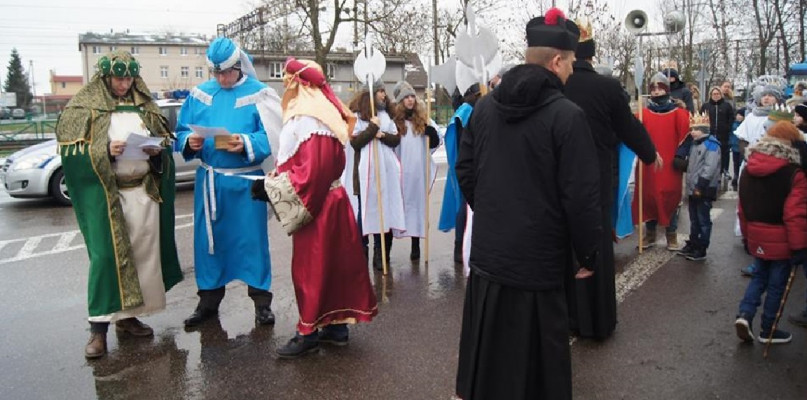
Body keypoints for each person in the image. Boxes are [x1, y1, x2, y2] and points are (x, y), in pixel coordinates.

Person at [455, 9, 601, 399]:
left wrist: (492, 211)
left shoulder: (485, 108)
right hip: (539, 263)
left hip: (490, 255)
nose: (571, 71)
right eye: (571, 63)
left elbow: (465, 169)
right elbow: (581, 195)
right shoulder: (567, 116)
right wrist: (588, 253)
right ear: (557, 62)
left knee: (491, 365)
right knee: (537, 373)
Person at [56, 50, 183, 359]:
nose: (124, 84)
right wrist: (105, 151)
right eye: (118, 78)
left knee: (140, 259)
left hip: (143, 194)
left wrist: (157, 153)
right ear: (105, 77)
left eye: (129, 79)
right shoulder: (83, 108)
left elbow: (165, 145)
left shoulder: (145, 107)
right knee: (105, 260)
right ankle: (97, 329)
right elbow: (71, 157)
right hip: (107, 198)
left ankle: (127, 319)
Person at [250, 58, 378, 358]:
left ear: (299, 83)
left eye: (288, 80)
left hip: (318, 205)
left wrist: (272, 190)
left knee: (312, 270)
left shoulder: (309, 117)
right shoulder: (322, 112)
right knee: (335, 266)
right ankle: (336, 327)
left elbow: (313, 172)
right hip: (331, 201)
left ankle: (307, 333)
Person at [176, 37, 283, 328]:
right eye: (217, 73)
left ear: (238, 67)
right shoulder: (200, 94)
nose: (222, 79)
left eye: (226, 73)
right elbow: (181, 130)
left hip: (246, 184)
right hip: (210, 183)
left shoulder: (260, 94)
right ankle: (208, 303)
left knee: (252, 242)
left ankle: (262, 303)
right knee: (209, 244)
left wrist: (247, 142)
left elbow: (273, 135)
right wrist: (189, 141)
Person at [564, 21, 659, 340]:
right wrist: (649, 153)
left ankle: (569, 316)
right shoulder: (606, 87)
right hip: (597, 178)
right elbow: (628, 127)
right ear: (592, 56)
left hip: (561, 177)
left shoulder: (557, 84)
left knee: (566, 244)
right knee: (598, 242)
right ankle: (597, 321)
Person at [735, 121, 807, 345]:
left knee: (758, 277)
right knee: (777, 285)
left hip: (756, 233)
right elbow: (794, 214)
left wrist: (746, 236)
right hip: (782, 238)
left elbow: (742, 207)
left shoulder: (749, 168)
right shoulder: (794, 173)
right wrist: (799, 246)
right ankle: (769, 329)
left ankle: (745, 314)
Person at [347, 80, 405, 270]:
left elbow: (395, 139)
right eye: (380, 91)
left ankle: (381, 253)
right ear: (369, 95)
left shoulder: (386, 115)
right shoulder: (357, 117)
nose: (383, 95)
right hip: (364, 174)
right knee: (365, 211)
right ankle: (361, 251)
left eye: (383, 91)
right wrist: (372, 128)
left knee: (383, 211)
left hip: (386, 172)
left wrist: (382, 135)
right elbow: (355, 143)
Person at [634, 73, 690, 251]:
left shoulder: (679, 114)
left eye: (660, 88)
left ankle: (671, 234)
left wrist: (680, 156)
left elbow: (686, 137)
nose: (656, 92)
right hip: (648, 164)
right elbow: (633, 134)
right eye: (653, 88)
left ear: (666, 89)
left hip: (669, 164)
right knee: (648, 198)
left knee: (669, 197)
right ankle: (650, 234)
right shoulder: (643, 114)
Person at [735, 85, 783, 276]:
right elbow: (742, 140)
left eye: (771, 96)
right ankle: (749, 237)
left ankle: (770, 254)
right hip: (752, 164)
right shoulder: (752, 116)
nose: (767, 99)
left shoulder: (781, 117)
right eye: (764, 96)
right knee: (749, 203)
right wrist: (749, 156)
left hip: (774, 167)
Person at [391, 81, 440, 261]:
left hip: (418, 172)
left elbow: (434, 143)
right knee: (398, 206)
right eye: (406, 97)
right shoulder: (395, 123)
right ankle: (386, 249)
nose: (410, 100)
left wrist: (431, 134)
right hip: (401, 171)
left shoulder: (423, 120)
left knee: (417, 208)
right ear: (400, 101)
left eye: (412, 96)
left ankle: (416, 245)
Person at [438, 84, 481, 264]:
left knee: (463, 204)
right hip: (467, 164)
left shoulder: (465, 110)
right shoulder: (467, 112)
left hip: (464, 163)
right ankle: (460, 246)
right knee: (464, 205)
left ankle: (461, 246)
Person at [677, 112, 721, 261]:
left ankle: (702, 247)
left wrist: (700, 186)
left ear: (704, 129)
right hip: (693, 187)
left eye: (696, 129)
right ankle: (693, 242)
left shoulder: (711, 145)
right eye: (691, 129)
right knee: (694, 218)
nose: (692, 132)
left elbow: (709, 167)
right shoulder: (695, 144)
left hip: (703, 188)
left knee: (703, 219)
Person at [700, 86, 735, 178]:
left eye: (718, 94)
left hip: (723, 134)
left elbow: (731, 118)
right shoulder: (706, 106)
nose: (716, 95)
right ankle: (710, 172)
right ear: (711, 95)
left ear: (721, 94)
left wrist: (727, 128)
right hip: (709, 134)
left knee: (724, 153)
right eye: (714, 94)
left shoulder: (727, 105)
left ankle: (724, 170)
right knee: (710, 153)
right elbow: (701, 118)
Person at [728, 109, 746, 190]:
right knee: (735, 162)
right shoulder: (733, 124)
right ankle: (735, 175)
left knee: (740, 162)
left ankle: (740, 176)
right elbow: (731, 134)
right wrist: (730, 142)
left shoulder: (744, 124)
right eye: (738, 115)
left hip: (741, 147)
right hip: (734, 146)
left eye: (741, 115)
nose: (739, 117)